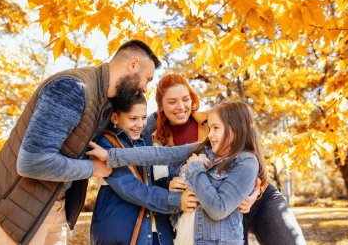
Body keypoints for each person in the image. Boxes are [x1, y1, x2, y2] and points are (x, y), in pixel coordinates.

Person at [91, 73, 306, 245]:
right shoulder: (153, 135)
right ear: (160, 105)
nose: (181, 106)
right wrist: (110, 155)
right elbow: (137, 142)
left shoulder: (214, 121)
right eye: (172, 101)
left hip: (252, 199)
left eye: (185, 99)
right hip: (212, 209)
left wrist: (255, 190)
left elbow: (249, 150)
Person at [0, 40, 161, 245]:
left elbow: (132, 129)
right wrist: (92, 168)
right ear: (133, 65)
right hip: (18, 205)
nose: (145, 89)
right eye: (147, 79)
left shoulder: (105, 103)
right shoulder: (72, 89)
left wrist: (170, 111)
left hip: (55, 202)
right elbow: (32, 162)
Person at [88, 101, 266, 244]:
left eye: (216, 128)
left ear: (235, 129)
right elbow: (161, 154)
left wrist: (194, 168)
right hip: (183, 236)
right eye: (209, 128)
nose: (209, 134)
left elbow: (218, 209)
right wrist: (110, 155)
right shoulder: (204, 149)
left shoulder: (246, 161)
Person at [90, 93, 196, 245]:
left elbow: (156, 181)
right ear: (115, 118)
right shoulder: (106, 144)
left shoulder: (146, 142)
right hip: (123, 232)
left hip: (159, 233)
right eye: (133, 118)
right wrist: (176, 200)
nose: (140, 124)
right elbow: (131, 187)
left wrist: (175, 179)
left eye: (144, 118)